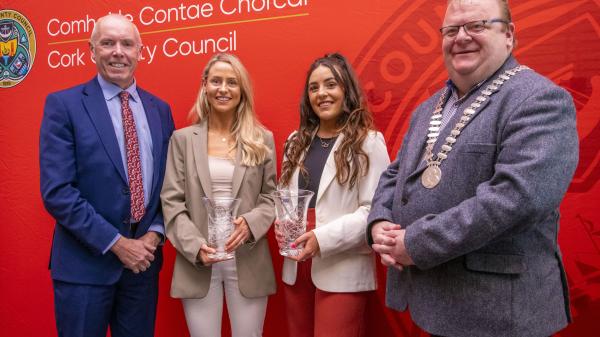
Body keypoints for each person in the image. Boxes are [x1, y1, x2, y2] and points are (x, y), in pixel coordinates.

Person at [367, 1, 579, 336]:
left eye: (476, 26)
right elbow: (396, 174)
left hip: (499, 315)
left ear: (508, 35)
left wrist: (417, 243)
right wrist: (380, 221)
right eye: (451, 30)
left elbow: (516, 199)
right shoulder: (427, 109)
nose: (461, 37)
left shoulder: (539, 100)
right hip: (434, 302)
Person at [39, 14, 175, 337]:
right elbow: (58, 192)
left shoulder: (160, 110)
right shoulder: (64, 105)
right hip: (84, 270)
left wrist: (153, 236)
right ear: (91, 50)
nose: (118, 52)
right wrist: (117, 244)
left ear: (140, 51)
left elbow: (171, 185)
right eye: (108, 43)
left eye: (127, 44)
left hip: (142, 268)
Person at [160, 53, 276, 337]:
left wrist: (251, 223)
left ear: (241, 90)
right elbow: (171, 201)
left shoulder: (262, 139)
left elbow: (272, 197)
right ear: (205, 86)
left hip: (248, 260)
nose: (223, 88)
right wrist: (195, 246)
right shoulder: (183, 139)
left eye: (232, 82)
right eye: (216, 81)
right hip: (198, 262)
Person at [277, 53, 390, 337]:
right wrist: (281, 222)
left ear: (346, 90)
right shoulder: (295, 142)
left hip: (342, 265)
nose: (322, 94)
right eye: (314, 88)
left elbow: (374, 211)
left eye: (330, 85)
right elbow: (285, 198)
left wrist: (320, 238)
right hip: (296, 264)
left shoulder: (369, 142)